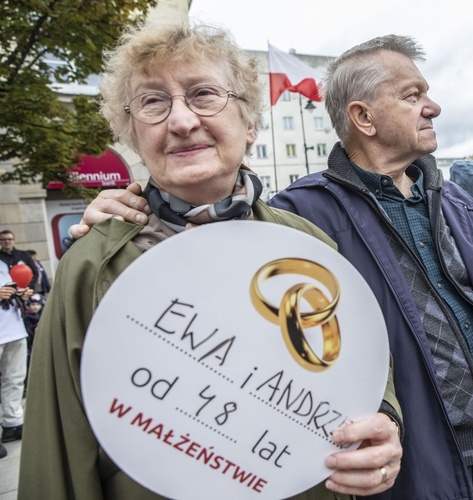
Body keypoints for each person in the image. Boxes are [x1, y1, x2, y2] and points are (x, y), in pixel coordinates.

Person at [71, 34, 473, 499]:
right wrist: (131, 211)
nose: (433, 107)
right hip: (405, 478)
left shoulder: (457, 205)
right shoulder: (298, 219)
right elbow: (217, 300)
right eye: (413, 95)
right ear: (362, 117)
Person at [19, 22, 403, 500]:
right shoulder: (95, 264)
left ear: (249, 125)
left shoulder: (309, 247)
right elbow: (57, 446)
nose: (180, 121)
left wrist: (382, 425)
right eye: (153, 102)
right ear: (134, 136)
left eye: (203, 94)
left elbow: (361, 369)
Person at [1, 257, 33, 449]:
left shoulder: (3, 265)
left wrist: (19, 294)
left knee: (14, 379)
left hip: (13, 329)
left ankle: (12, 423)